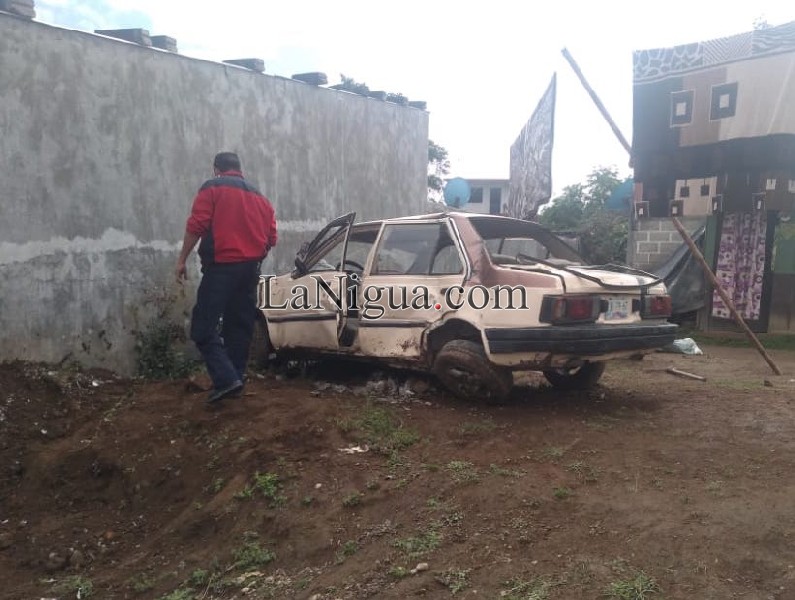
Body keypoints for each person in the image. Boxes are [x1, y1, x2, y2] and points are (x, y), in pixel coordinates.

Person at [176, 152, 278, 404]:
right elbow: (272, 238)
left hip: (222, 268)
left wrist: (181, 260)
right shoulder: (261, 199)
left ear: (216, 169)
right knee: (239, 326)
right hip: (250, 270)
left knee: (202, 326)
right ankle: (236, 377)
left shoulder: (212, 188)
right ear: (239, 169)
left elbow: (197, 225)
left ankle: (225, 379)